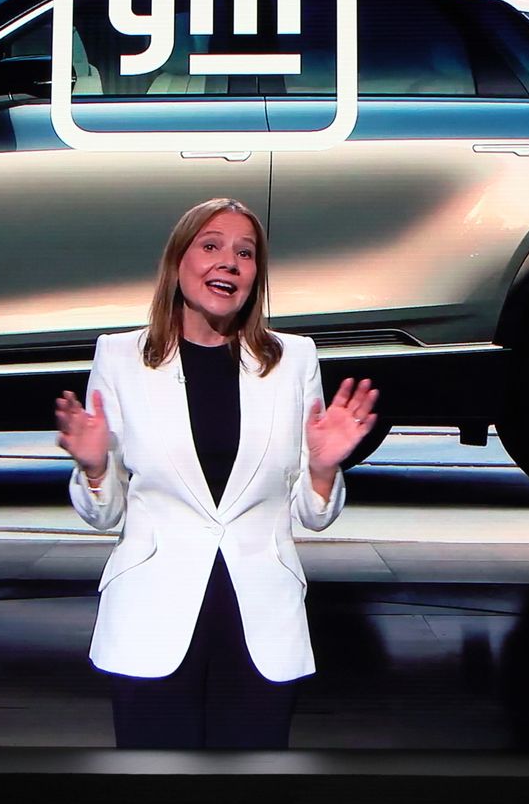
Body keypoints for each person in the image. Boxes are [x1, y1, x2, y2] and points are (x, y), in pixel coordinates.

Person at [55, 197, 378, 749]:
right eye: (211, 246)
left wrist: (323, 469)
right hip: (150, 618)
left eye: (245, 253)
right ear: (178, 262)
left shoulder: (294, 360)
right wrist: (93, 466)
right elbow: (105, 512)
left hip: (261, 620)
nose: (228, 262)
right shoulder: (120, 357)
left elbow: (312, 515)